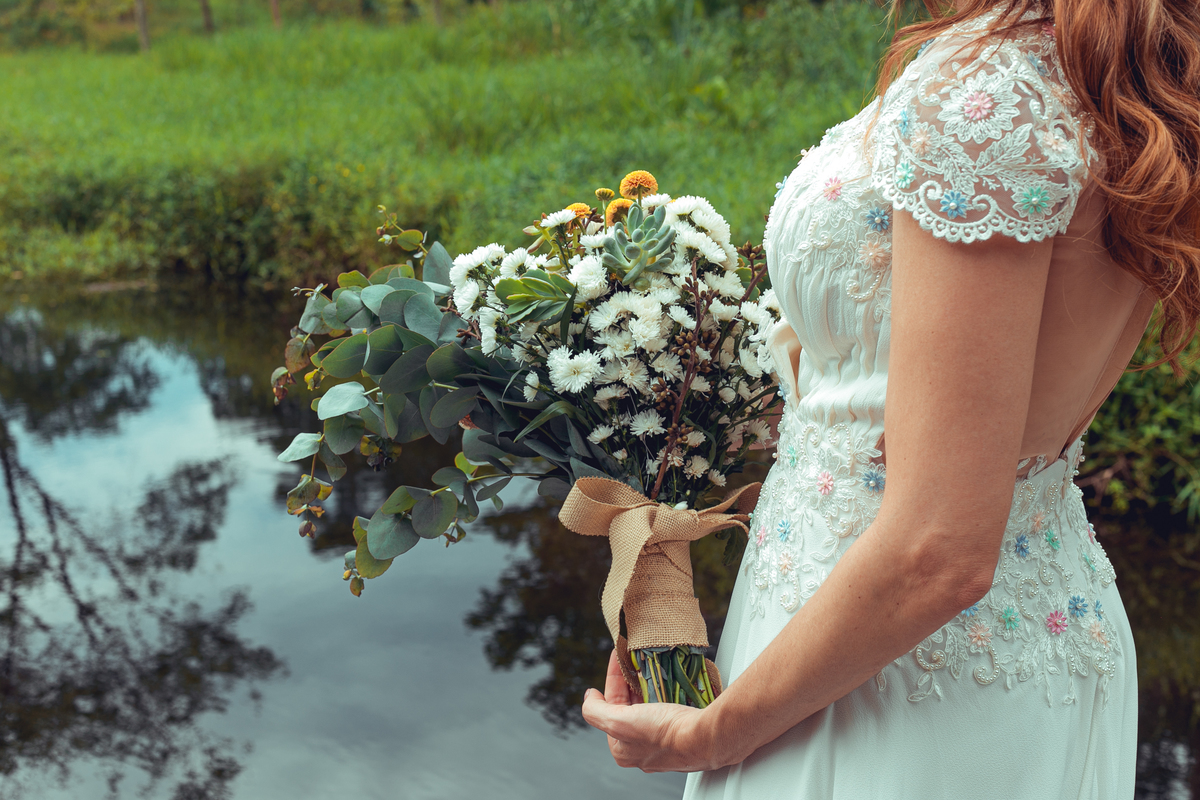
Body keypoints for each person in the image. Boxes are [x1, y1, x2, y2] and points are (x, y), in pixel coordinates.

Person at [580, 0, 1200, 796]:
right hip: (917, 635)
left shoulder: (993, 97)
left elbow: (937, 549)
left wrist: (710, 734)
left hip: (895, 682)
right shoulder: (1111, 67)